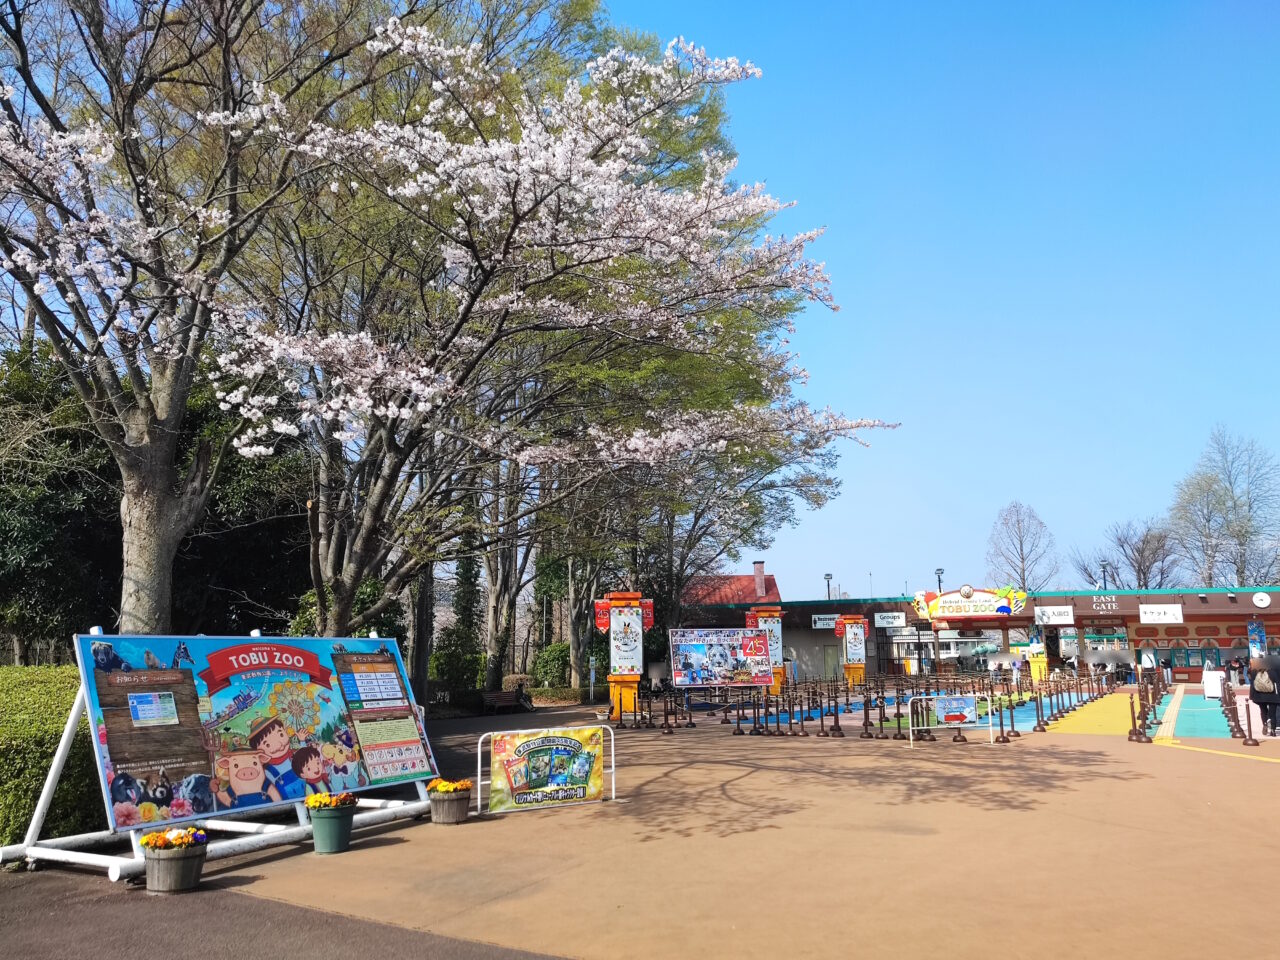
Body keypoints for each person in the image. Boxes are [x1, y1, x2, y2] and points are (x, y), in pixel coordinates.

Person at [1248, 658, 1280, 737]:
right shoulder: (1272, 672)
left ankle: (1265, 724)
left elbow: (1252, 685)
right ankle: (1273, 730)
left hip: (1259, 696)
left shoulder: (1254, 672)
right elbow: (1278, 684)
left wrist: (1252, 696)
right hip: (1273, 697)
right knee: (1272, 714)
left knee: (1263, 711)